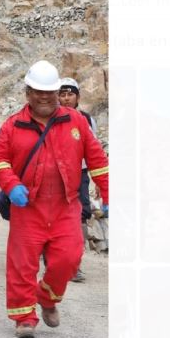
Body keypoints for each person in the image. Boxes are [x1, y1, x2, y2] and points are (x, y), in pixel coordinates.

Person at [0, 60, 109, 338]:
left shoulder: (76, 121)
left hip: (66, 207)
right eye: (38, 92)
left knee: (69, 258)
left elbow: (97, 160)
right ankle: (24, 317)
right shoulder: (13, 125)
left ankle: (47, 297)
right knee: (22, 263)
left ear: (58, 93)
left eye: (50, 93)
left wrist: (108, 193)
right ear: (28, 93)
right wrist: (11, 184)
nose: (44, 98)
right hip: (28, 207)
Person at [59, 77, 98, 282]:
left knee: (81, 214)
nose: (66, 98)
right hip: (56, 173)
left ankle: (75, 264)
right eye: (62, 94)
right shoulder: (51, 117)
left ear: (78, 97)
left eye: (70, 94)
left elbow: (94, 150)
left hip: (80, 173)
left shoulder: (86, 119)